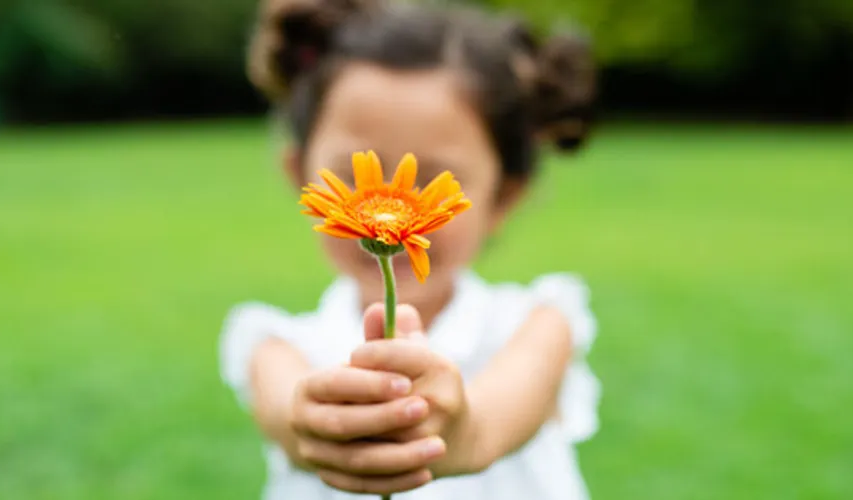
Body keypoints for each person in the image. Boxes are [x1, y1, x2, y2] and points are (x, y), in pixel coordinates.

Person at [220, 0, 600, 498]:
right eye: (354, 177)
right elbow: (289, 417)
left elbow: (495, 419)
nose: (391, 209)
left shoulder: (538, 326)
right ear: (300, 176)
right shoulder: (276, 346)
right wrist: (318, 424)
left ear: (504, 196)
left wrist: (458, 433)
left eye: (435, 181)